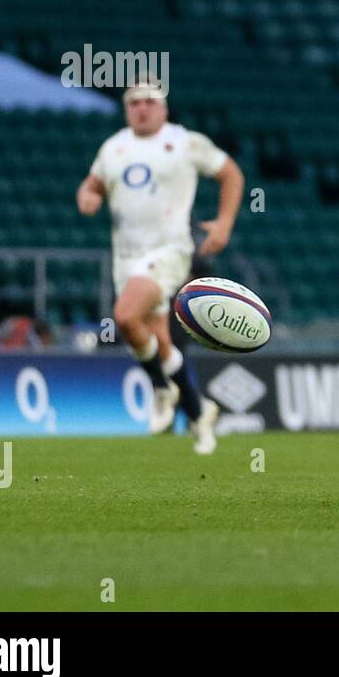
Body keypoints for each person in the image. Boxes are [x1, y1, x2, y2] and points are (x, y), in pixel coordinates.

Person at [76, 81, 244, 454]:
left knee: (124, 316)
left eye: (150, 102)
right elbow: (91, 186)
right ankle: (199, 414)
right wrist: (88, 197)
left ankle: (161, 388)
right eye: (134, 103)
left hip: (169, 253)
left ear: (164, 109)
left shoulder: (184, 142)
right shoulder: (114, 148)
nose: (142, 108)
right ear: (126, 110)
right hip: (126, 258)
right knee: (156, 341)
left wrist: (223, 224)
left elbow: (230, 174)